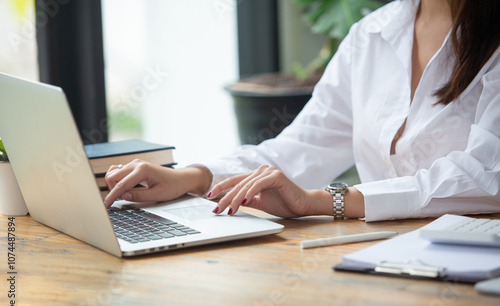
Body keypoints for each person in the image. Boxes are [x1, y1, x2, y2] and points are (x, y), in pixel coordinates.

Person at [104, 0, 500, 222]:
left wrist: (319, 201)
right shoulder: (373, 34)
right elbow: (300, 147)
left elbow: (485, 177)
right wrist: (192, 177)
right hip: (382, 262)